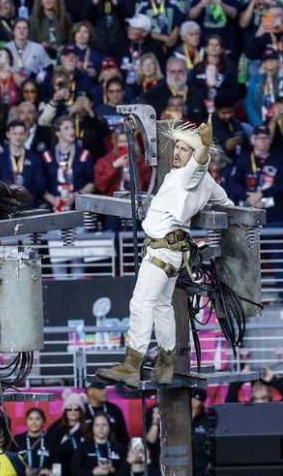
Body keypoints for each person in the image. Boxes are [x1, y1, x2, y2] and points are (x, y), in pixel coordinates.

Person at [98, 120, 231, 386]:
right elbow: (225, 201)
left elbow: (200, 164)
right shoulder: (204, 182)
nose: (178, 152)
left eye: (185, 149)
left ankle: (132, 364)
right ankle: (166, 364)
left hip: (161, 249)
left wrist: (203, 147)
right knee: (161, 306)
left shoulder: (190, 174)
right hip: (172, 251)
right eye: (177, 147)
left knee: (141, 303)